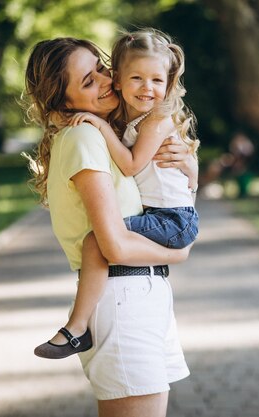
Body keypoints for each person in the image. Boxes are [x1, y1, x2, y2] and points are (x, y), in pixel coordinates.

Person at [23, 36, 196, 415]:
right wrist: (179, 252)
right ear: (63, 100)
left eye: (101, 68)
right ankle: (75, 328)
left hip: (140, 293)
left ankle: (77, 327)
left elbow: (155, 181)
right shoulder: (86, 135)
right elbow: (112, 244)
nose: (106, 80)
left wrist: (189, 166)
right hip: (123, 295)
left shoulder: (112, 131)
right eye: (88, 81)